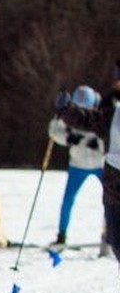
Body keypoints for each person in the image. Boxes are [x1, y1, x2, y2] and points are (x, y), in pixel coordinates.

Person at [54, 66, 120, 268]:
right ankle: (64, 233)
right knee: (116, 240)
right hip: (112, 184)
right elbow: (85, 119)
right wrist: (65, 110)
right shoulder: (113, 114)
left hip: (102, 170)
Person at [48, 85, 105, 252]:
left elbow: (112, 134)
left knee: (110, 201)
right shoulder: (68, 115)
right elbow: (54, 130)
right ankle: (62, 235)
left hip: (99, 165)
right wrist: (67, 138)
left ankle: (108, 235)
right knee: (68, 200)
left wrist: (100, 145)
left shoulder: (103, 113)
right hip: (77, 164)